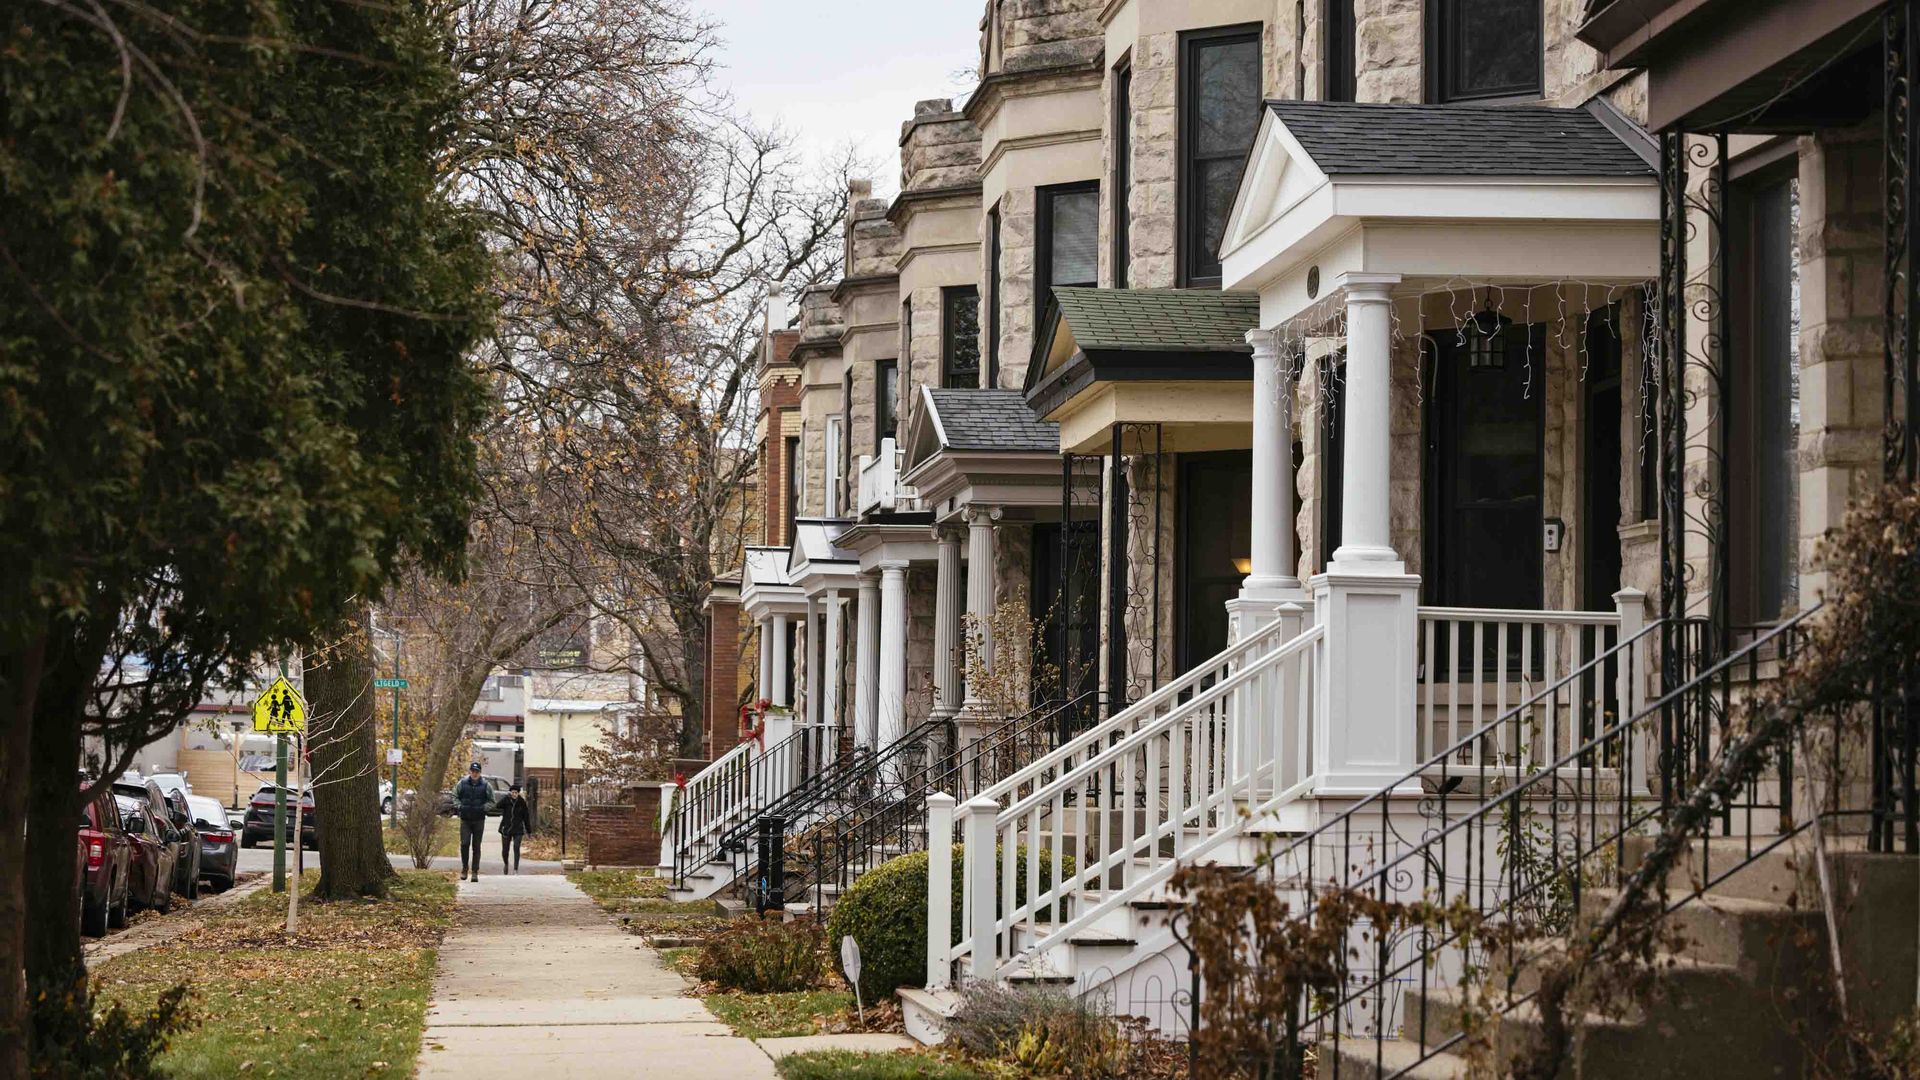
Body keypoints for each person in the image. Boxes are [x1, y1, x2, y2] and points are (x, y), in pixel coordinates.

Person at [453, 763, 493, 882]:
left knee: (476, 846)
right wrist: (459, 806)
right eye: (473, 771)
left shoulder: (486, 785)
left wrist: (484, 808)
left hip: (479, 819)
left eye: (477, 771)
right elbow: (454, 795)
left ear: (480, 773)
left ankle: (475, 871)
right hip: (465, 819)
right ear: (470, 772)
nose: (474, 773)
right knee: (464, 844)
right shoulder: (462, 783)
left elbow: (492, 800)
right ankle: (465, 868)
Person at [497, 783, 532, 873]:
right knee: (505, 849)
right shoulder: (506, 801)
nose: (514, 794)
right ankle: (506, 864)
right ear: (510, 793)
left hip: (518, 829)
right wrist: (505, 798)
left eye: (516, 793)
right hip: (506, 828)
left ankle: (515, 868)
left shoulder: (521, 802)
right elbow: (497, 805)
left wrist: (529, 831)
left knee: (516, 847)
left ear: (518, 793)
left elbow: (526, 817)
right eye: (512, 792)